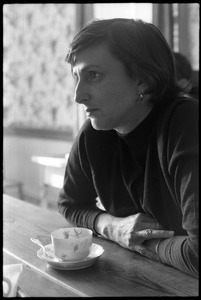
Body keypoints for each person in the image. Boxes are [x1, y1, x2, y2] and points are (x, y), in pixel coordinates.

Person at [58, 18, 198, 278]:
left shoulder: (186, 123)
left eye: (94, 75)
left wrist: (139, 240)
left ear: (142, 80)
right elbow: (70, 203)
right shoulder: (94, 133)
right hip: (138, 276)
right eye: (77, 77)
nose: (78, 96)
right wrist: (111, 226)